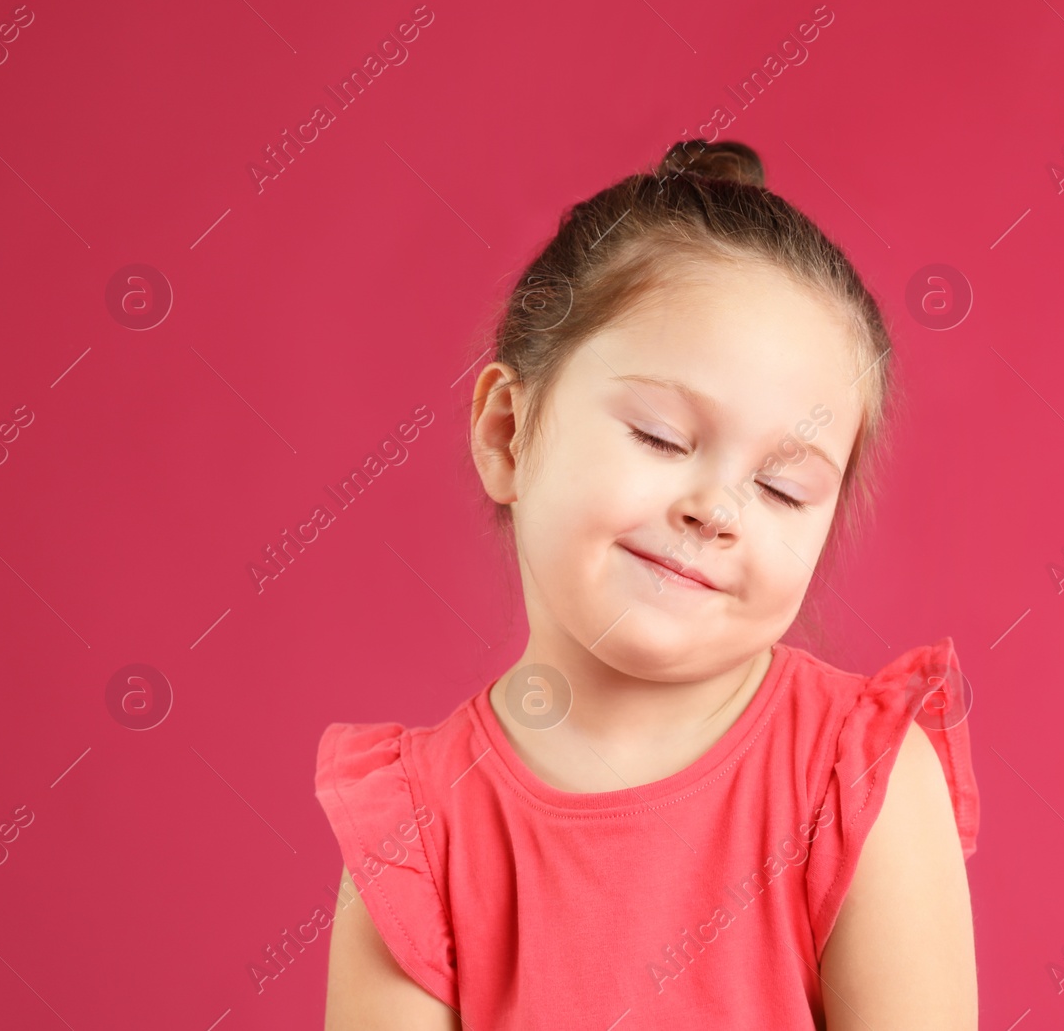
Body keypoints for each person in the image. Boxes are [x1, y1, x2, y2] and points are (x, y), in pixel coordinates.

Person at [314, 138, 981, 1029]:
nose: (717, 507)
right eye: (662, 438)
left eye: (783, 487)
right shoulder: (414, 836)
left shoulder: (858, 781)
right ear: (509, 433)